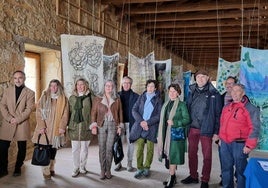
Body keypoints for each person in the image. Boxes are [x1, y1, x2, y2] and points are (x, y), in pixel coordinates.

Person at [181, 69, 222, 188]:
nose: (200, 79)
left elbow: (218, 114)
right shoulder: (191, 91)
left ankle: (205, 179)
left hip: (207, 129)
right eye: (198, 77)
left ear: (208, 78)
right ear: (195, 78)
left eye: (203, 77)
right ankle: (193, 176)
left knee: (207, 156)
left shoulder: (215, 93)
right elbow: (187, 108)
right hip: (192, 128)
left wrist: (216, 131)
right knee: (192, 154)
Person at [219, 84, 260, 188]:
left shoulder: (251, 108)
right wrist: (220, 138)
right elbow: (222, 123)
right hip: (225, 143)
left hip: (240, 144)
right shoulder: (227, 107)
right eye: (233, 90)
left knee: (241, 170)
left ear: (243, 93)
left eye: (237, 91)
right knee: (226, 169)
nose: (234, 93)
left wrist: (249, 145)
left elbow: (254, 128)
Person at [0, 70, 35, 178]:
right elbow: (2, 105)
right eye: (15, 78)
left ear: (24, 79)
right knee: (2, 148)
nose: (17, 80)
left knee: (22, 147)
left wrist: (18, 119)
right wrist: (10, 118)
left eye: (20, 78)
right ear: (13, 79)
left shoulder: (30, 93)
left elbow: (29, 109)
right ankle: (3, 169)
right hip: (8, 123)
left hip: (22, 123)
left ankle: (17, 167)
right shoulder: (7, 91)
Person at [32, 79, 69, 180]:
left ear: (59, 87)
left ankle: (51, 167)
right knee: (44, 149)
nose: (53, 88)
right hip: (45, 129)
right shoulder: (44, 97)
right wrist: (41, 126)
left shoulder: (63, 99)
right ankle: (46, 171)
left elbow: (65, 114)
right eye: (51, 86)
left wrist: (62, 127)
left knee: (53, 150)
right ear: (49, 87)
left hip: (56, 130)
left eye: (55, 86)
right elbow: (38, 113)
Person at [157, 84, 190, 188]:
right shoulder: (166, 104)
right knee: (168, 157)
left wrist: (175, 122)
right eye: (170, 91)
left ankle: (171, 178)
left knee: (173, 157)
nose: (172, 93)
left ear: (178, 93)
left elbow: (187, 120)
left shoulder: (181, 105)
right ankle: (173, 176)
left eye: (174, 91)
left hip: (175, 134)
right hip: (165, 134)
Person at [90, 79, 123, 180]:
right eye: (107, 86)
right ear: (104, 87)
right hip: (101, 124)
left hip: (113, 124)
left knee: (109, 149)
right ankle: (102, 170)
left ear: (113, 88)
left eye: (111, 86)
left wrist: (120, 127)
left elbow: (120, 113)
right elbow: (93, 112)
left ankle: (108, 169)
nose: (109, 88)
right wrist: (94, 125)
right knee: (102, 149)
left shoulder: (117, 98)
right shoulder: (97, 98)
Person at [130, 79, 162, 179]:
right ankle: (140, 168)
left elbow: (159, 115)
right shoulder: (141, 97)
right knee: (139, 149)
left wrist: (147, 123)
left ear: (155, 88)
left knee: (150, 149)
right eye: (148, 86)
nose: (150, 88)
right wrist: (142, 122)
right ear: (146, 87)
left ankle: (147, 167)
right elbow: (134, 110)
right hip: (140, 126)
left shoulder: (159, 100)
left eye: (152, 86)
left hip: (151, 127)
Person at [68, 78, 94, 177]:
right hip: (74, 126)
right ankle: (75, 167)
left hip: (86, 126)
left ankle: (82, 166)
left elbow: (94, 112)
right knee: (75, 149)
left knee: (84, 149)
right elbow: (69, 112)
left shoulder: (90, 97)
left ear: (85, 86)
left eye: (82, 84)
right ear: (76, 86)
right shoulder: (72, 98)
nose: (80, 86)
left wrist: (93, 124)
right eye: (78, 84)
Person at [115, 76, 139, 172]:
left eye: (128, 83)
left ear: (131, 84)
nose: (126, 84)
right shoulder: (116, 95)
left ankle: (129, 163)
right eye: (124, 82)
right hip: (119, 123)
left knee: (131, 144)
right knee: (118, 143)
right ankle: (118, 163)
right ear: (122, 84)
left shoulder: (136, 96)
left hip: (131, 123)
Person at [218, 76, 238, 186]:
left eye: (232, 83)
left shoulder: (242, 99)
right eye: (228, 83)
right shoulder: (220, 97)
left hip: (237, 135)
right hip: (223, 134)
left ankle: (237, 175)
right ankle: (225, 177)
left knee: (237, 158)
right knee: (223, 158)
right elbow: (217, 116)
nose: (229, 85)